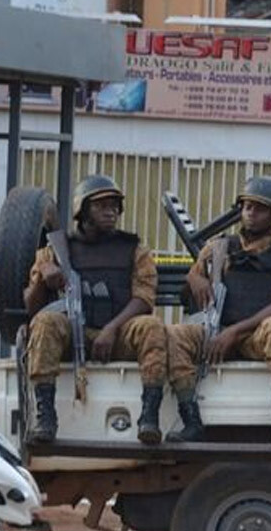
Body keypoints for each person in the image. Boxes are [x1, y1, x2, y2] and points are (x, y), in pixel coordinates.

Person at [23, 175, 168, 445]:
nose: (111, 211)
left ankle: (149, 415)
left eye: (115, 206)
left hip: (119, 333)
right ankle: (45, 417)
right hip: (72, 332)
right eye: (102, 206)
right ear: (83, 210)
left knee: (153, 327)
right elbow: (31, 309)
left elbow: (145, 299)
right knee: (45, 322)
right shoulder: (55, 250)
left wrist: (112, 329)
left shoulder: (134, 249)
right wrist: (44, 275)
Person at [165, 177, 271, 445]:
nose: (251, 213)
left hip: (255, 336)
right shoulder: (218, 248)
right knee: (174, 335)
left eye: (260, 208)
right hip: (217, 331)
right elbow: (192, 283)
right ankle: (190, 420)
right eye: (247, 206)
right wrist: (194, 279)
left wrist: (234, 332)